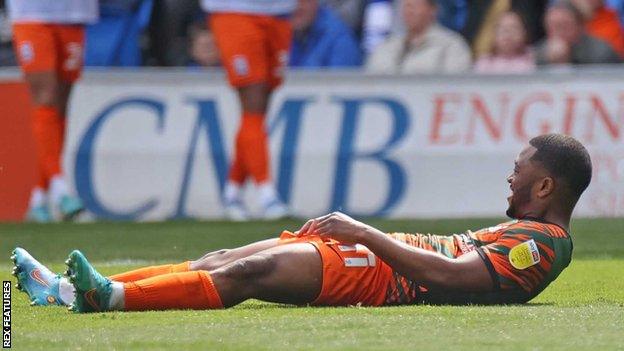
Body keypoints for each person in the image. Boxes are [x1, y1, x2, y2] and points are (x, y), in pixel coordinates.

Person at [12, 134, 592, 312]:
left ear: (545, 186)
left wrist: (365, 233)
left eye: (519, 172)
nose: (508, 180)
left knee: (254, 271)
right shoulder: (533, 232)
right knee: (221, 262)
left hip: (381, 275)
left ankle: (102, 301)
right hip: (377, 257)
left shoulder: (542, 246)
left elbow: (454, 278)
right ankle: (69, 292)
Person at [200, 0, 294, 220]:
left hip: (280, 12)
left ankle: (232, 193)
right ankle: (267, 195)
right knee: (254, 101)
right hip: (235, 10)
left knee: (259, 107)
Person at [7, 0, 98, 222]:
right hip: (31, 13)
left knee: (60, 107)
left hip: (75, 13)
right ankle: (60, 188)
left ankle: (38, 198)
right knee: (45, 98)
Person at [366, 0, 472, 74]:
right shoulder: (386, 46)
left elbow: (457, 88)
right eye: (406, 6)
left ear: (433, 10)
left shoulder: (451, 46)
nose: (409, 11)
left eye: (415, 5)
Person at [536, 1, 621, 65]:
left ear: (580, 26)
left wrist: (568, 60)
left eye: (564, 25)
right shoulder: (540, 52)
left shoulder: (601, 51)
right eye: (553, 26)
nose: (559, 32)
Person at [290, 0, 363, 68]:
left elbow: (340, 80)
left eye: (304, 2)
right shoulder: (288, 30)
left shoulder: (340, 40)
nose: (297, 7)